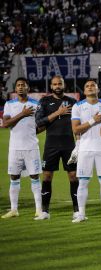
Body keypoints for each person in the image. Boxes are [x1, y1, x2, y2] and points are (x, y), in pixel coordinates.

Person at [34, 75, 78, 220]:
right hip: (51, 144)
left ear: (64, 85)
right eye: (55, 84)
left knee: (73, 177)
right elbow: (39, 122)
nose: (57, 86)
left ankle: (77, 210)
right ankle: (45, 211)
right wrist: (57, 113)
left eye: (60, 83)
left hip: (69, 145)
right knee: (47, 176)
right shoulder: (44, 101)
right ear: (51, 86)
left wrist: (79, 144)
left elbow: (78, 124)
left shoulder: (72, 102)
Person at [70, 79, 101, 222]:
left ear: (98, 89)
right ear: (84, 90)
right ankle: (81, 214)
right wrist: (93, 120)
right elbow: (75, 129)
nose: (90, 88)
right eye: (87, 86)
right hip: (85, 149)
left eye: (92, 86)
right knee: (82, 182)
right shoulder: (78, 106)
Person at [1, 77, 42, 219]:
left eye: (23, 85)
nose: (20, 87)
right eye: (18, 85)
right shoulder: (9, 104)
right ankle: (14, 210)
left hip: (31, 147)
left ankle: (38, 210)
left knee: (35, 177)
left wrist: (33, 132)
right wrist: (22, 114)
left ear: (27, 88)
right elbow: (5, 124)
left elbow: (42, 124)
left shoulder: (36, 104)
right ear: (15, 88)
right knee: (14, 177)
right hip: (15, 148)